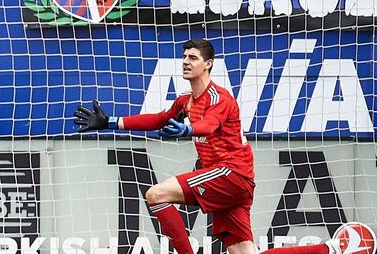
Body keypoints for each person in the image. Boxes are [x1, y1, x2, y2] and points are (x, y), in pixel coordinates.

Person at [73, 38, 371, 254]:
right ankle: (331, 248)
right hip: (231, 183)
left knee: (156, 194)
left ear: (208, 64)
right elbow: (157, 119)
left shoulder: (220, 98)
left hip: (231, 174)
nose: (186, 62)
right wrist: (112, 122)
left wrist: (188, 128)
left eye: (193, 57)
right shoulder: (185, 101)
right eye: (185, 57)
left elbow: (209, 125)